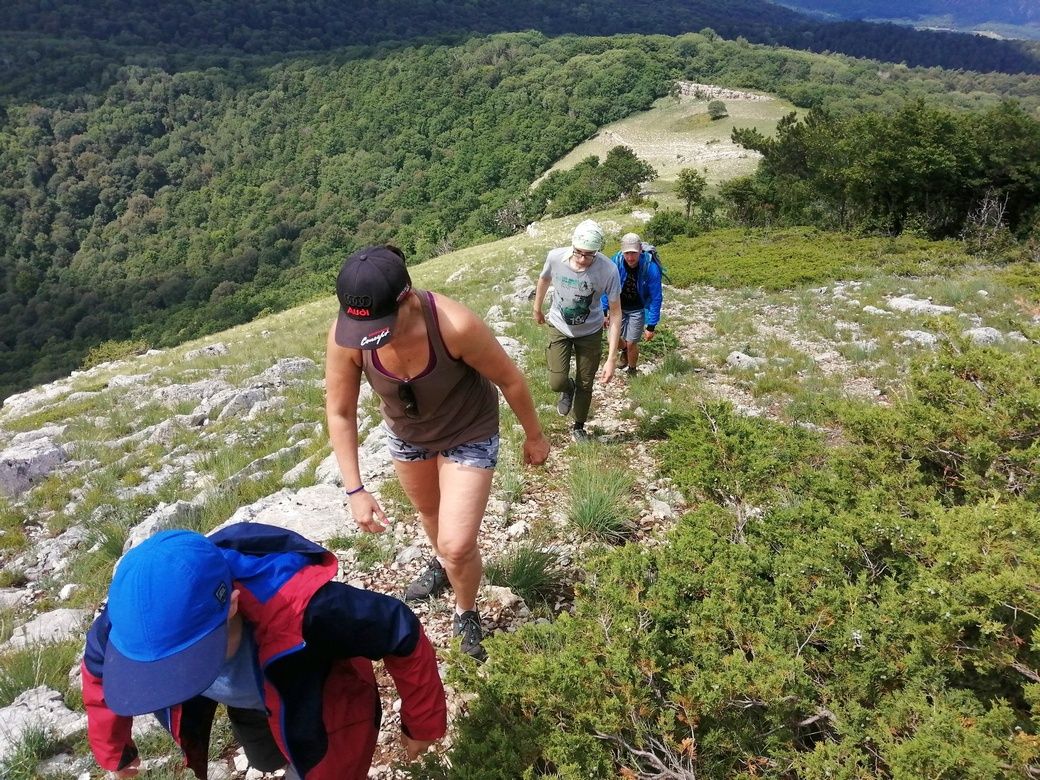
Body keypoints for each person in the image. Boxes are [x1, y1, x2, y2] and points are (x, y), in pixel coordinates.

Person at [325, 245, 550, 661]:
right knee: (432, 520)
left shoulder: (454, 325)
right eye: (365, 329)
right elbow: (340, 412)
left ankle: (466, 611)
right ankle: (441, 564)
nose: (372, 338)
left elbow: (511, 381)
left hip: (469, 431)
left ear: (407, 297)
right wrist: (355, 489)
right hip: (408, 437)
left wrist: (534, 436)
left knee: (458, 542)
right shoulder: (350, 337)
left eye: (381, 325)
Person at [81, 524, 447, 780]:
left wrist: (422, 723)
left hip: (323, 702)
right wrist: (115, 751)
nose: (173, 677)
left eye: (190, 660)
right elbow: (97, 672)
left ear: (233, 605)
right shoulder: (133, 616)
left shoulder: (310, 612)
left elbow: (400, 629)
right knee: (267, 757)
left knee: (324, 765)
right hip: (254, 699)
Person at [533, 219, 622, 442]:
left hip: (590, 331)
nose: (583, 259)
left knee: (586, 382)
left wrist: (611, 358)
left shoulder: (608, 270)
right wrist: (537, 308)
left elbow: (616, 313)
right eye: (579, 253)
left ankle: (579, 426)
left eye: (589, 254)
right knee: (556, 381)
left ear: (597, 251)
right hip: (559, 325)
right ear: (572, 246)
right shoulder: (555, 257)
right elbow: (544, 279)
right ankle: (567, 388)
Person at [603, 232, 664, 375]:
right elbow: (607, 288)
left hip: (637, 308)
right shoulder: (615, 263)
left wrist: (651, 326)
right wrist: (603, 311)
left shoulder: (650, 268)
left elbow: (656, 297)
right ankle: (623, 350)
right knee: (613, 338)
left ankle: (632, 369)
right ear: (622, 251)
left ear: (640, 250)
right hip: (617, 307)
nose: (630, 258)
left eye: (634, 253)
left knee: (631, 342)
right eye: (627, 253)